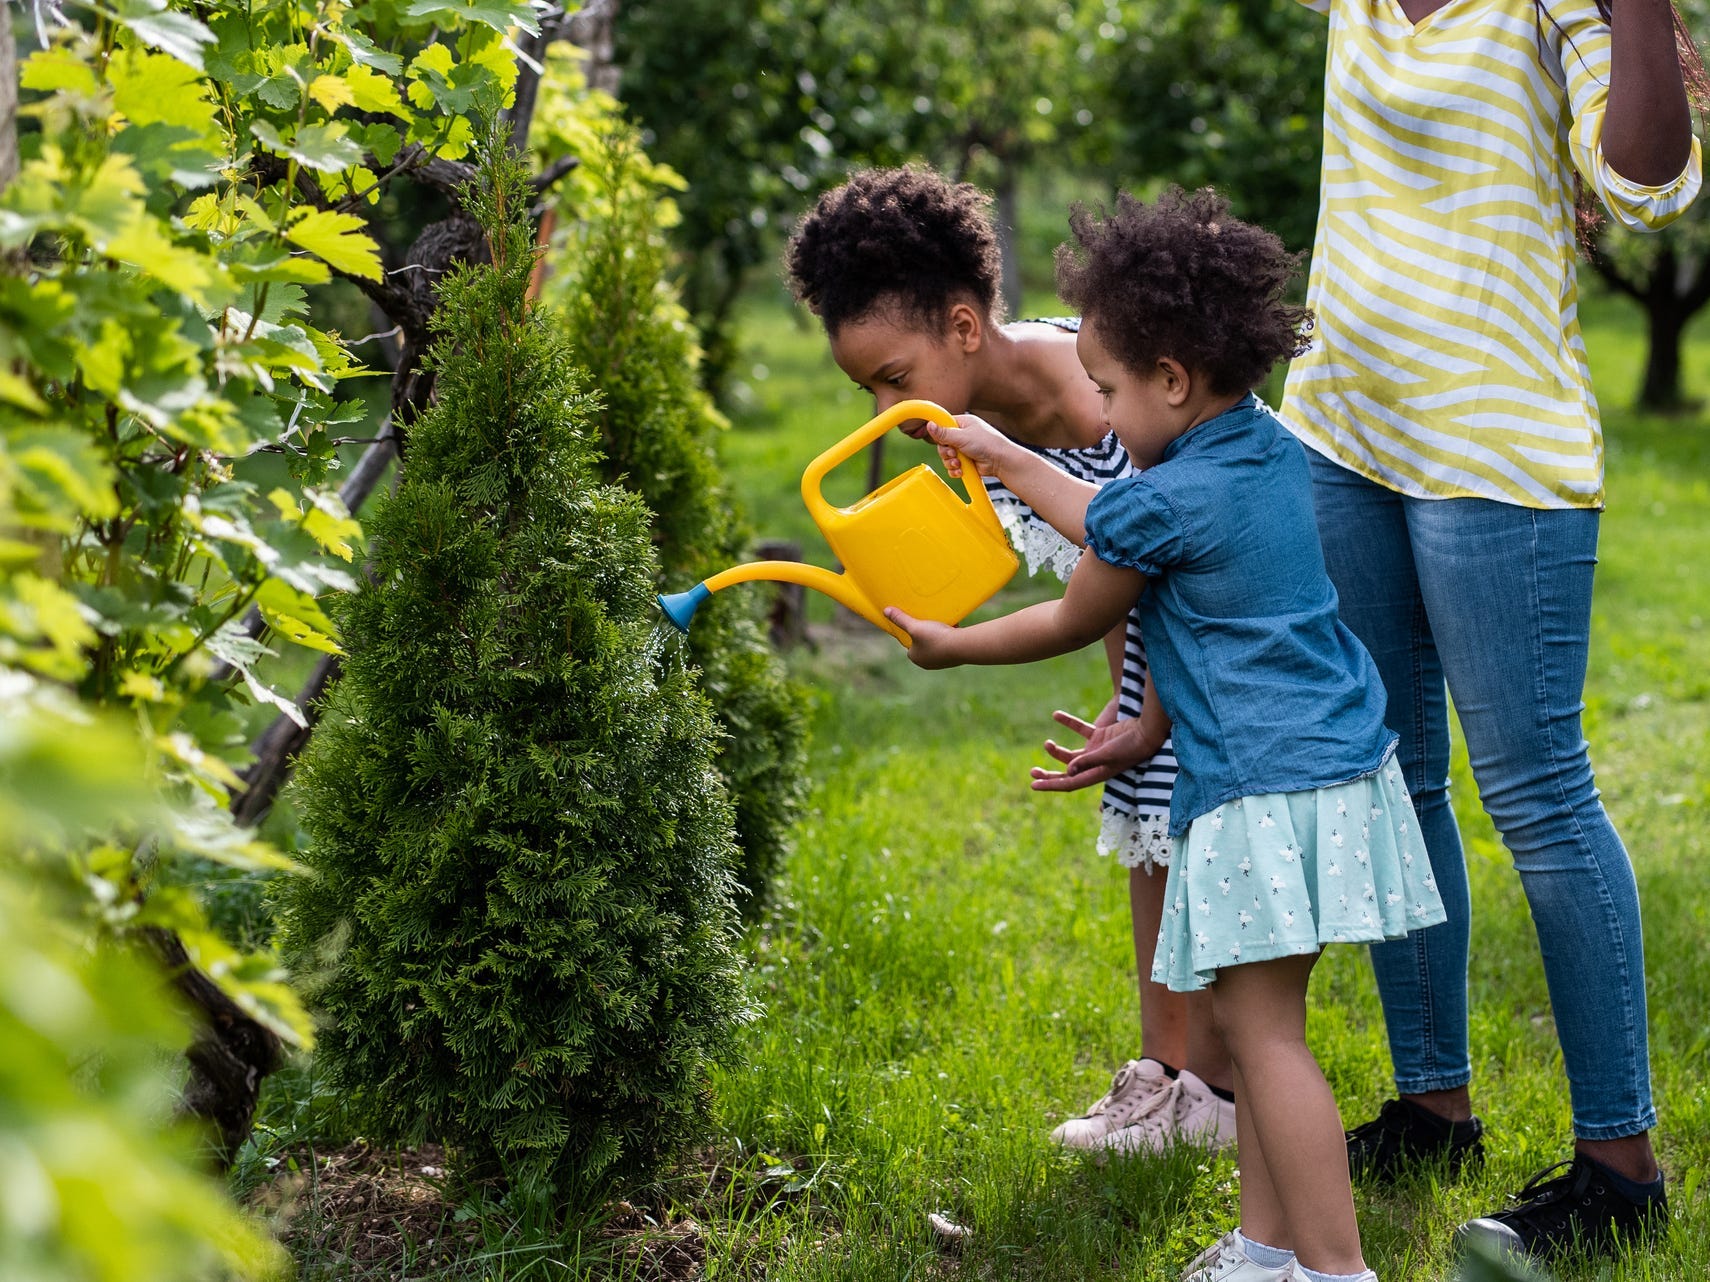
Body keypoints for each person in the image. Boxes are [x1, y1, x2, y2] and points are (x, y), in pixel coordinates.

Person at [886, 188, 1446, 1282]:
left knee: (1264, 1040)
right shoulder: (1271, 451)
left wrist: (957, 626)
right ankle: (1264, 1250)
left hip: (1259, 790)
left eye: (1107, 388)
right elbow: (1221, 625)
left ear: (1175, 381)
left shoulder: (1162, 495)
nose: (1096, 410)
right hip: (1336, 769)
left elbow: (1081, 595)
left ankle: (1334, 1270)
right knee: (1253, 1029)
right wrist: (1145, 722)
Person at [1271, 0, 1704, 1258]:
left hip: (1495, 453)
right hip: (1342, 429)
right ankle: (1432, 1102)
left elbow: (1649, 188)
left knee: (1538, 797)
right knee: (1393, 778)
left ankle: (1621, 1170)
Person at [784, 165, 1235, 1154]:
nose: (880, 408)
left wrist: (1157, 712)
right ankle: (1163, 1076)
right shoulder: (976, 435)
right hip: (1162, 646)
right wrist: (1132, 711)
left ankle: (1215, 1086)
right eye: (866, 390)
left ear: (962, 326)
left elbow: (1182, 574)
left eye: (892, 378)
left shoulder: (1101, 404)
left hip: (1231, 639)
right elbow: (1104, 577)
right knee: (1144, 802)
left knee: (1191, 804)